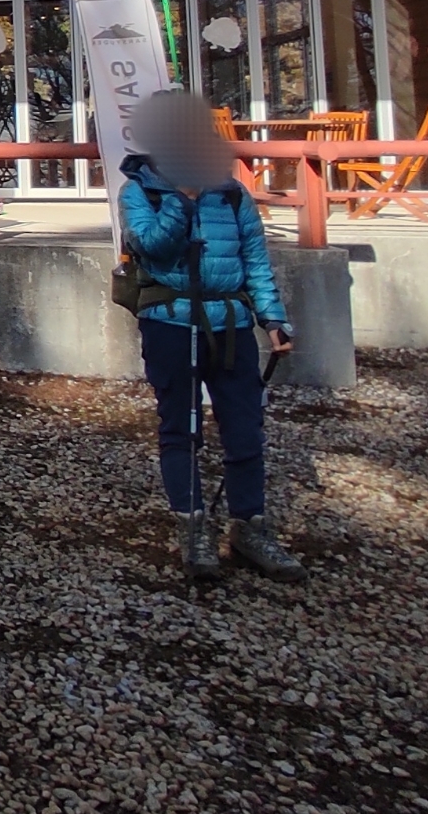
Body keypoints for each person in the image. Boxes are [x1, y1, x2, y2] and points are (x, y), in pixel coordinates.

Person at [118, 89, 304, 583]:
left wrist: (273, 319)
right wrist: (181, 201)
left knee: (245, 427)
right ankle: (193, 526)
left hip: (231, 324)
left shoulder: (233, 193)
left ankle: (250, 524)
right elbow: (151, 246)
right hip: (171, 322)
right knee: (181, 427)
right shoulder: (139, 191)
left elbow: (255, 262)